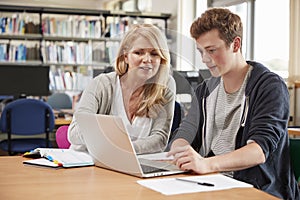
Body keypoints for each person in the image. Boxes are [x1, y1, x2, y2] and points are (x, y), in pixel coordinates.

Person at [167, 8, 299, 199]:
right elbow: (186, 132)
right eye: (201, 51)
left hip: (256, 190)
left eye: (212, 50)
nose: (205, 59)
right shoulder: (205, 89)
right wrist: (179, 149)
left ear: (235, 44)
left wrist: (207, 164)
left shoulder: (269, 86)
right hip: (210, 184)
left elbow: (258, 151)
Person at [68, 24, 176, 155]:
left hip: (130, 164)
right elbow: (74, 133)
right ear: (125, 56)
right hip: (86, 162)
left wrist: (123, 150)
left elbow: (159, 139)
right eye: (138, 52)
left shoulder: (165, 85)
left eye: (154, 54)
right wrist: (113, 142)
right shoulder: (102, 84)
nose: (147, 59)